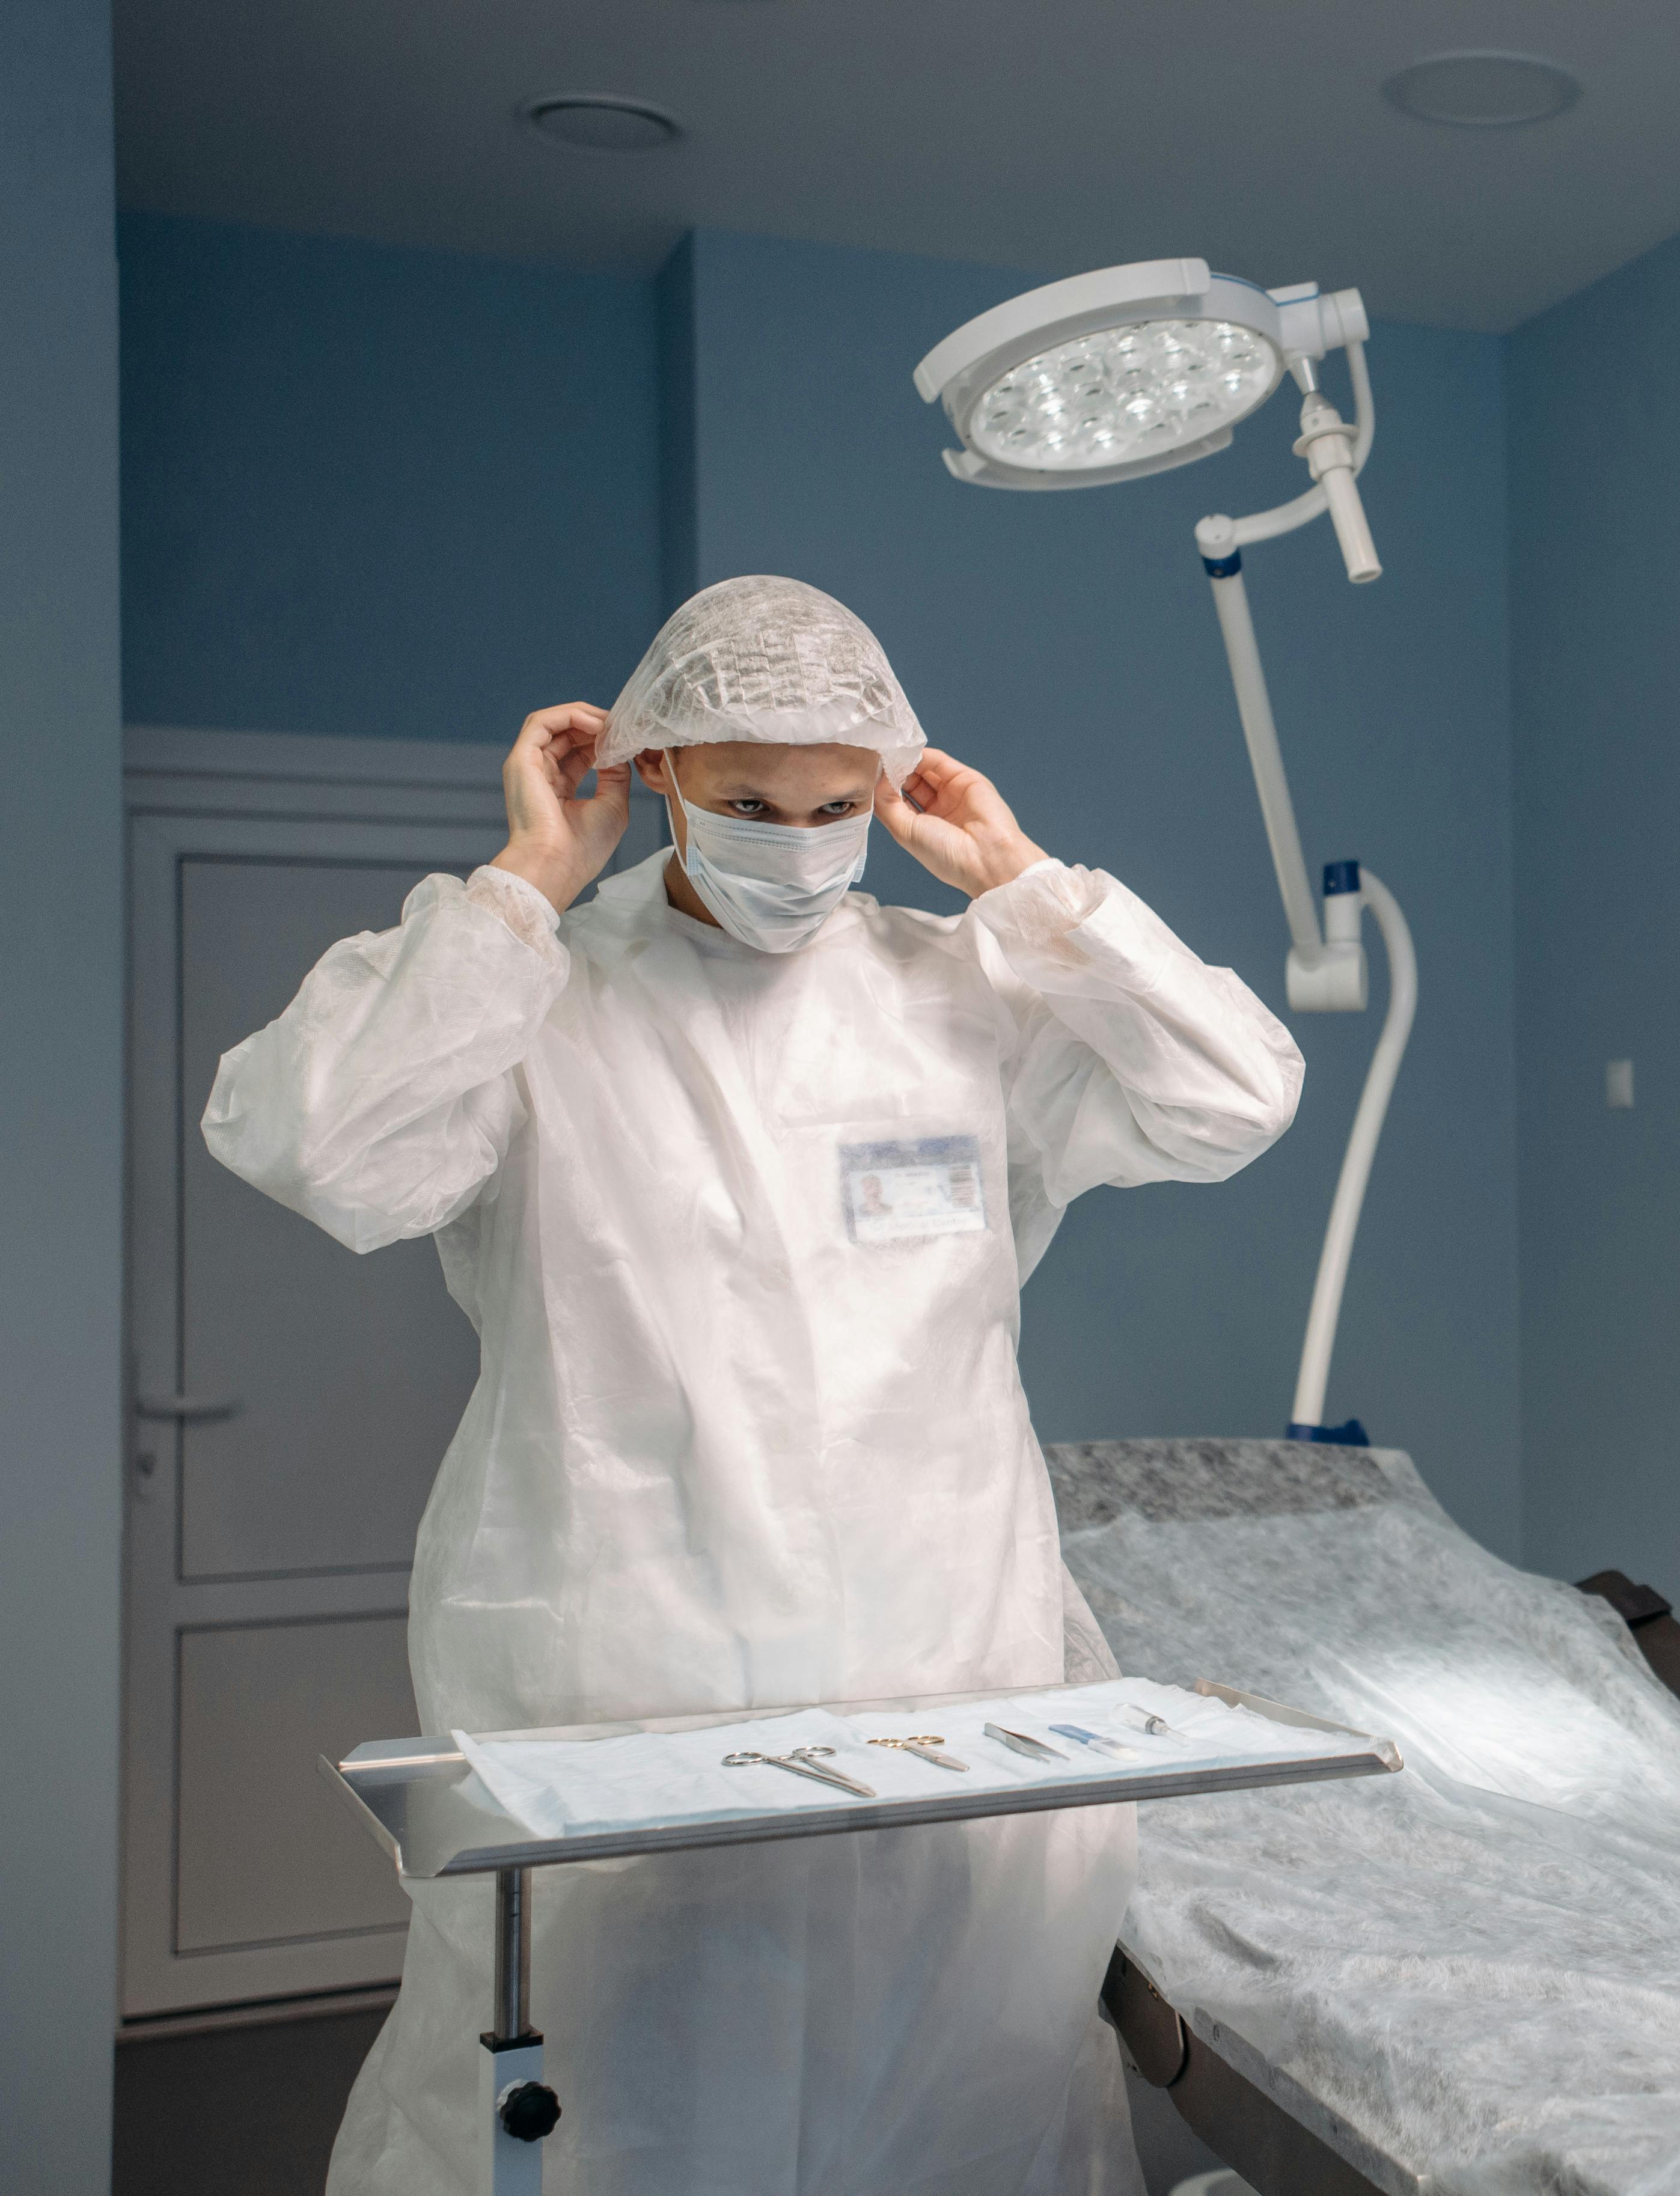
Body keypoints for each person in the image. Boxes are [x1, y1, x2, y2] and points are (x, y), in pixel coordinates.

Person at [204, 576, 1303, 2196]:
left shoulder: (963, 992)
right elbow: (313, 1139)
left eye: (834, 805)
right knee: (614, 2121)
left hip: (943, 1679)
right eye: (745, 803)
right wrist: (519, 882)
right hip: (632, 1688)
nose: (797, 839)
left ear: (889, 789)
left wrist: (1025, 885)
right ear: (656, 776)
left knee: (961, 2116)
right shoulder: (545, 996)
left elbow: (1234, 1093)